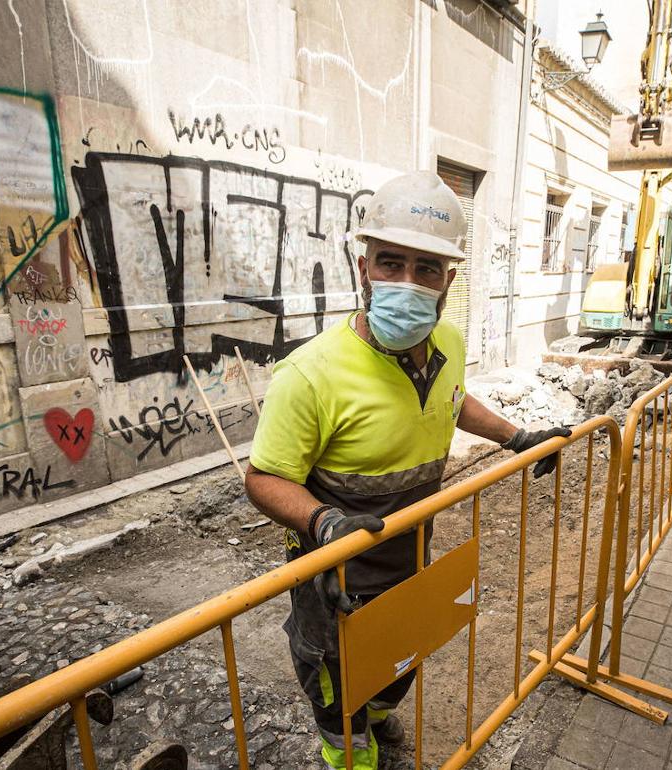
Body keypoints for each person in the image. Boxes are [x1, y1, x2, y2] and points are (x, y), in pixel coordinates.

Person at [244, 171, 570, 770]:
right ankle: (350, 747)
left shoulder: (445, 338)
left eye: (426, 270)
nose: (407, 283)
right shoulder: (310, 373)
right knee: (336, 686)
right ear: (364, 268)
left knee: (401, 657)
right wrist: (321, 523)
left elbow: (451, 400)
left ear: (449, 280)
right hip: (336, 576)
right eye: (391, 263)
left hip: (410, 559)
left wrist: (516, 437)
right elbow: (263, 478)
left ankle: (376, 709)